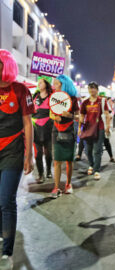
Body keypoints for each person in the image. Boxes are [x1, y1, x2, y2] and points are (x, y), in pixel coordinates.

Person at [0, 49, 35, 269]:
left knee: (6, 200)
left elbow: (27, 123)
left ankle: (7, 251)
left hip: (13, 151)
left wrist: (28, 155)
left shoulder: (21, 90)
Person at [50, 75, 79, 198]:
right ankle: (56, 187)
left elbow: (79, 117)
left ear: (64, 84)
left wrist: (70, 116)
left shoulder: (73, 99)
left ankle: (68, 184)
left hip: (69, 130)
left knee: (69, 160)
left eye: (57, 84)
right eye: (54, 84)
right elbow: (50, 113)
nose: (54, 86)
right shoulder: (54, 97)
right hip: (56, 130)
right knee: (56, 160)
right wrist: (54, 117)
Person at [78, 82, 111, 180]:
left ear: (97, 90)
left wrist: (107, 126)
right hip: (88, 128)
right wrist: (79, 128)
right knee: (88, 150)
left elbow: (107, 114)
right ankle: (91, 165)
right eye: (90, 88)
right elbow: (82, 116)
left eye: (94, 88)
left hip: (99, 127)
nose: (92, 90)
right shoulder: (85, 102)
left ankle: (96, 170)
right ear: (88, 90)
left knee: (97, 150)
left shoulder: (102, 101)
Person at [32, 78, 53, 183]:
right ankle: (41, 174)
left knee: (48, 152)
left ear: (46, 84)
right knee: (38, 153)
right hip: (36, 127)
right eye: (38, 82)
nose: (39, 84)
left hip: (48, 126)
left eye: (41, 82)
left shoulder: (51, 96)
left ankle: (49, 170)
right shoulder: (35, 96)